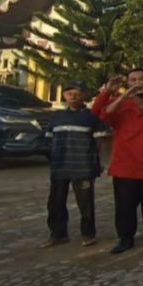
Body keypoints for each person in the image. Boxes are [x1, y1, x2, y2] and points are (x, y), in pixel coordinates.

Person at [94, 69, 143, 240]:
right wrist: (112, 92)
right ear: (128, 83)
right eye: (133, 80)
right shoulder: (119, 104)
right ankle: (125, 238)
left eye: (141, 79)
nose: (138, 83)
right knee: (125, 207)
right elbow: (99, 113)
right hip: (125, 167)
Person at [42, 80, 103, 248]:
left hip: (83, 167)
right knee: (55, 203)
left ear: (84, 95)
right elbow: (48, 139)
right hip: (60, 167)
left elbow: (99, 142)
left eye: (77, 93)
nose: (73, 96)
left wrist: (92, 160)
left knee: (85, 203)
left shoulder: (91, 116)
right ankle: (58, 234)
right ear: (64, 95)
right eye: (69, 93)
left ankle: (88, 234)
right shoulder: (56, 116)